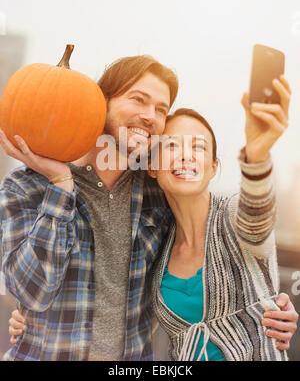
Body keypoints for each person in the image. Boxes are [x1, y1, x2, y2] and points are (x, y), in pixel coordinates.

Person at [0, 56, 297, 360]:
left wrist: (269, 303)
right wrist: (60, 184)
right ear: (101, 103)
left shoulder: (157, 192)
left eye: (160, 109)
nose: (149, 116)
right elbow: (31, 293)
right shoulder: (26, 188)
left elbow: (243, 222)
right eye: (138, 100)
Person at [149, 76, 297, 360]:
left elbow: (256, 214)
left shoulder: (232, 216)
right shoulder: (156, 246)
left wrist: (257, 152)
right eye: (171, 146)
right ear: (152, 167)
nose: (186, 156)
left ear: (214, 167)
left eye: (199, 147)